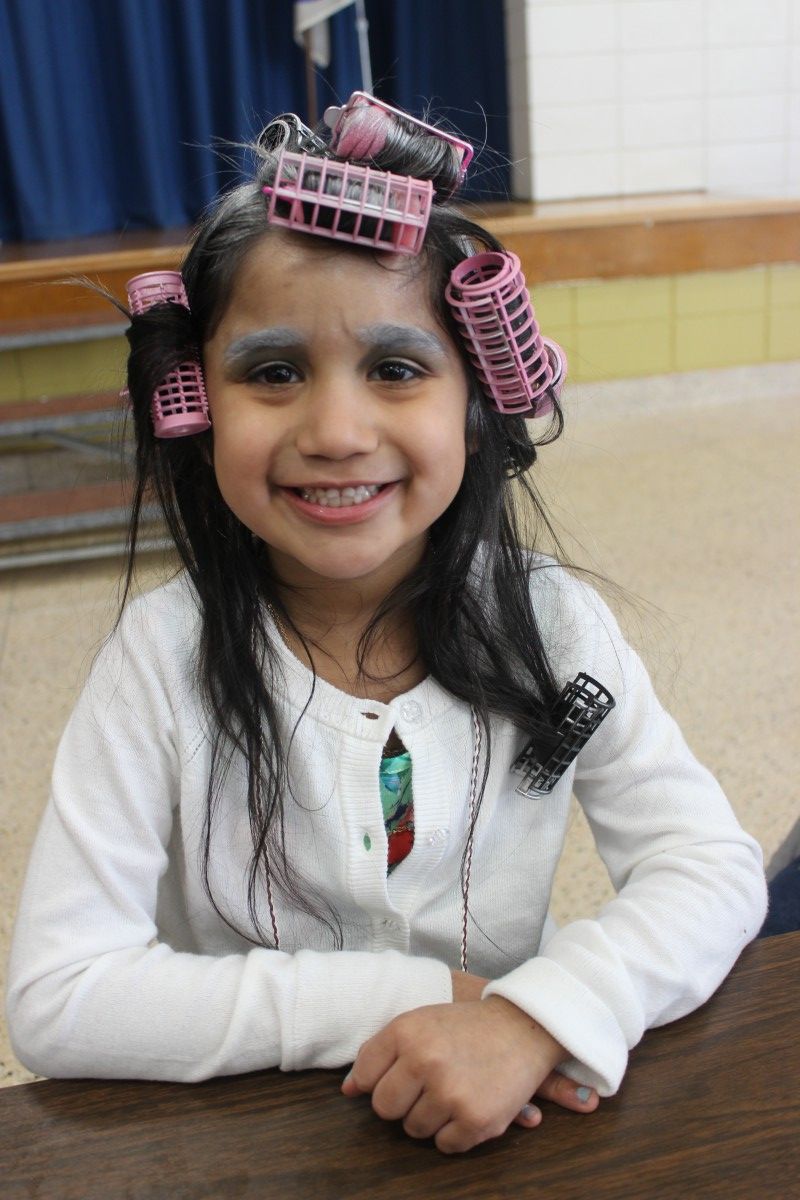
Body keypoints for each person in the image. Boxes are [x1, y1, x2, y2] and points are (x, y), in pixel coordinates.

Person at [6, 93, 767, 1155]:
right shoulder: (160, 663)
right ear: (195, 401)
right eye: (271, 373)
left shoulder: (550, 625)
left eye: (396, 369)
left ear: (476, 395)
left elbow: (709, 867)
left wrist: (533, 1016)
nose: (334, 430)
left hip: (517, 1115)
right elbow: (63, 995)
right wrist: (413, 996)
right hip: (256, 1139)